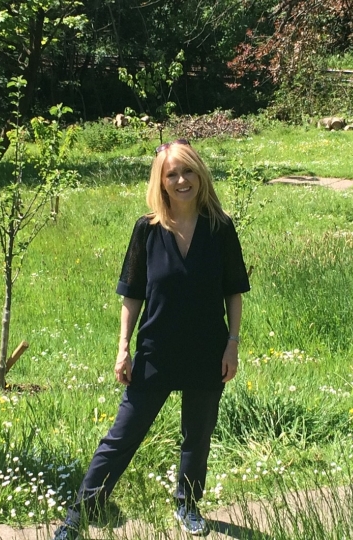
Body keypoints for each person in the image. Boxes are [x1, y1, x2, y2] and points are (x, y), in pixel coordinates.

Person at [53, 140, 250, 539]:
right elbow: (132, 293)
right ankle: (82, 512)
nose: (181, 180)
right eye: (172, 174)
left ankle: (188, 504)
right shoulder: (148, 229)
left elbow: (234, 289)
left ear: (200, 174)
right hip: (155, 349)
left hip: (207, 349)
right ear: (161, 181)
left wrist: (232, 342)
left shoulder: (220, 226)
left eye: (188, 171)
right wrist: (123, 348)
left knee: (198, 435)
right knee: (122, 435)